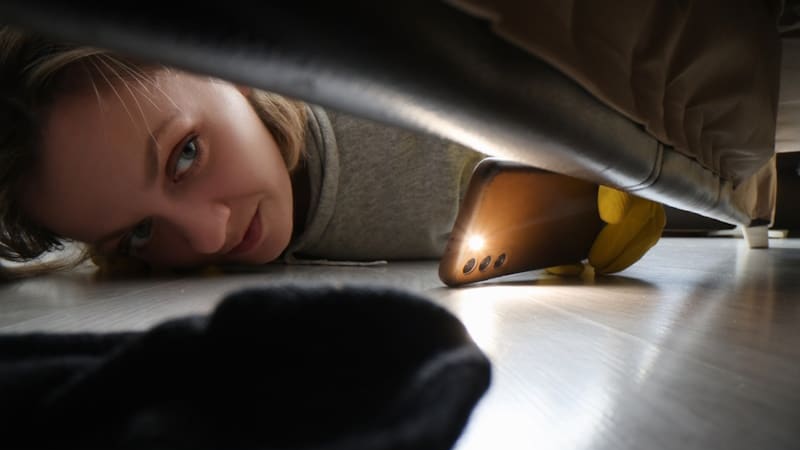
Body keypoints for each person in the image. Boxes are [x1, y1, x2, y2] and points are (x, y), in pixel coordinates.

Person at [0, 25, 665, 280]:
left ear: (220, 58)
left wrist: (626, 163)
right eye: (139, 232)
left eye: (185, 155)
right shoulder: (167, 276)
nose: (209, 234)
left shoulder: (397, 83)